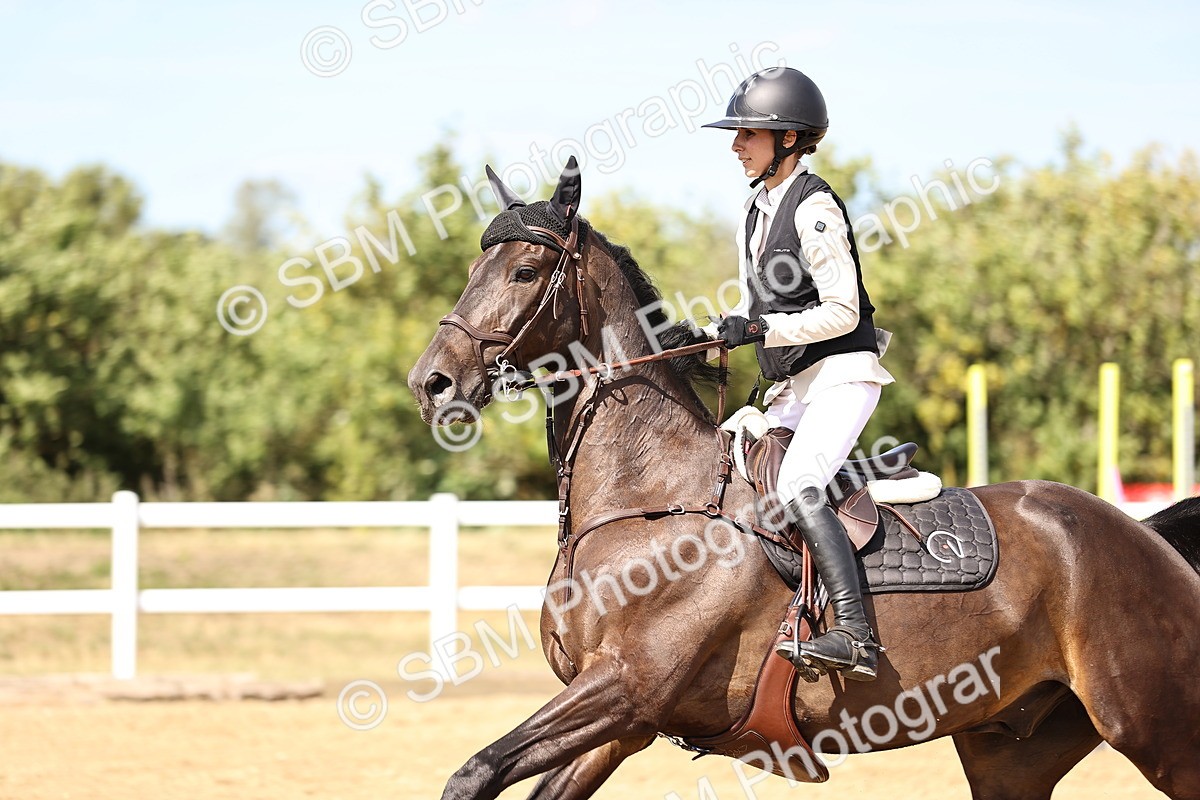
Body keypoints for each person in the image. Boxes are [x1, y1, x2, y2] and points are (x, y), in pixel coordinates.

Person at [703, 67, 894, 682]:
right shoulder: (756, 210)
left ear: (788, 139)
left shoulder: (814, 209)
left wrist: (762, 331)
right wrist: (713, 334)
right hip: (794, 387)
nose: (737, 145)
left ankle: (857, 636)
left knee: (797, 483)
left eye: (749, 134)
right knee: (734, 470)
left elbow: (841, 311)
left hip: (842, 375)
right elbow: (755, 307)